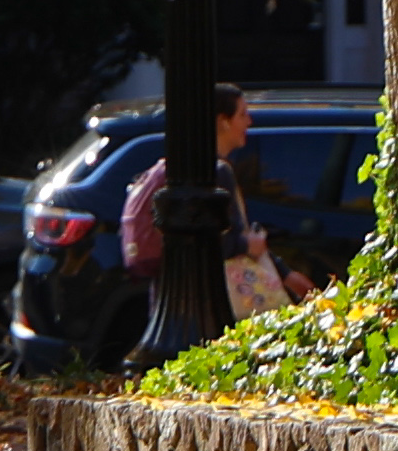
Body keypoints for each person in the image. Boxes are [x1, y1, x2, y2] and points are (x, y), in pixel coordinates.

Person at [125, 86, 291, 358]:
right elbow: (217, 241)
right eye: (242, 114)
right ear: (222, 121)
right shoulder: (216, 173)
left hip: (170, 298)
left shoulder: (182, 167)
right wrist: (248, 245)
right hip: (204, 301)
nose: (249, 122)